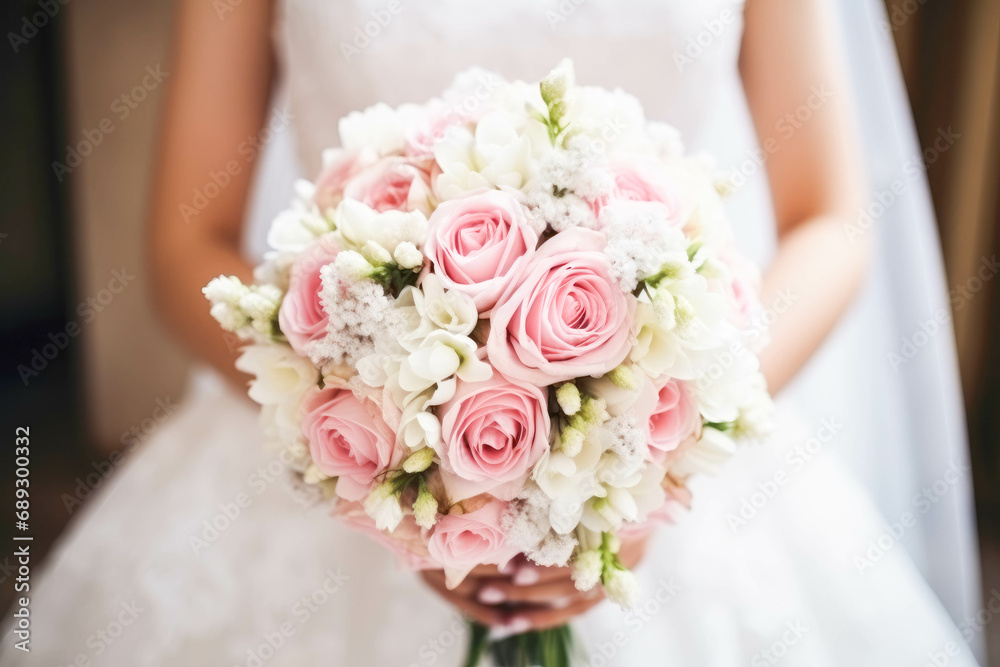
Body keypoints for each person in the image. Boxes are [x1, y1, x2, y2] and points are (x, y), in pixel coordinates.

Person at [4, 0, 982, 664]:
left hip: (666, 448)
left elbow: (831, 221)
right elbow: (187, 244)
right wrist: (381, 440)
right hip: (337, 432)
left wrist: (650, 452)